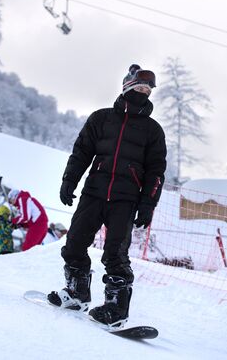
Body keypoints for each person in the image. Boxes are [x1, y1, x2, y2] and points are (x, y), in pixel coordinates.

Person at [47, 64, 167, 328]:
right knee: (75, 244)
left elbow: (156, 172)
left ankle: (116, 309)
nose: (143, 93)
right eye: (139, 88)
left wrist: (148, 204)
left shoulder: (152, 131)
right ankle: (77, 293)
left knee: (115, 254)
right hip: (94, 194)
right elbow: (81, 152)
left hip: (125, 201)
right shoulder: (101, 119)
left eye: (147, 90)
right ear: (126, 88)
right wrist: (69, 180)